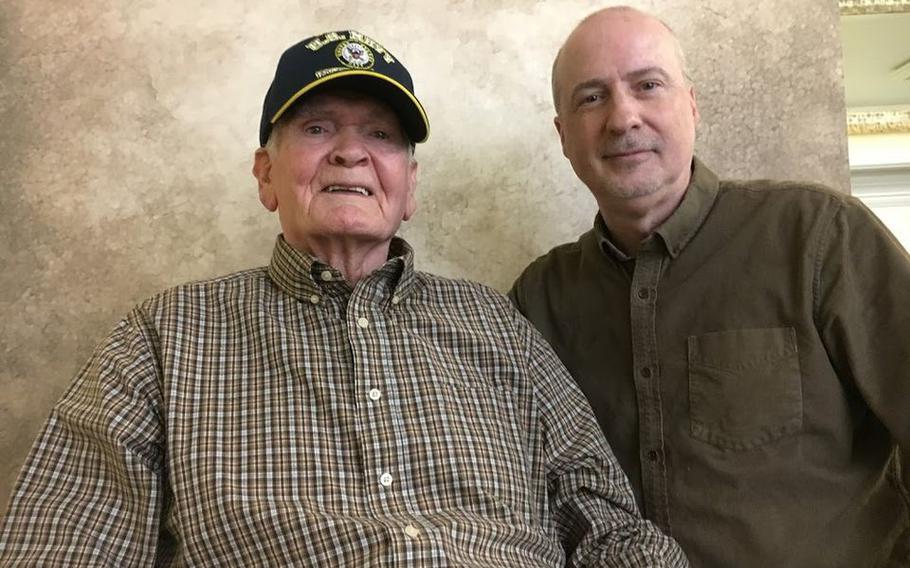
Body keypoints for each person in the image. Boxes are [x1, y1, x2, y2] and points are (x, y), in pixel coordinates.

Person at [0, 30, 687, 567]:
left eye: (381, 134)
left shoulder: (497, 324)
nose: (351, 153)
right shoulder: (165, 336)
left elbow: (609, 524)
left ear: (409, 186)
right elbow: (64, 540)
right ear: (266, 175)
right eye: (318, 128)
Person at [509, 5, 910, 567]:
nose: (623, 118)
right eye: (591, 97)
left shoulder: (820, 237)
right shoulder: (538, 301)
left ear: (692, 106)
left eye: (648, 85)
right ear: (563, 136)